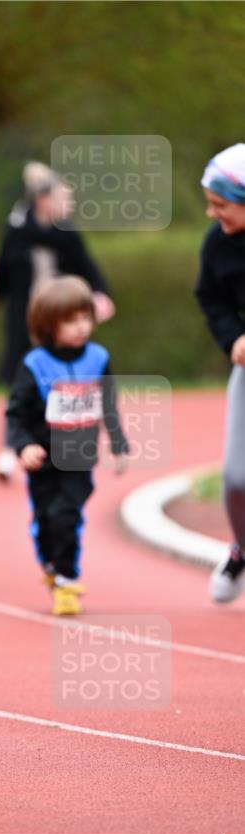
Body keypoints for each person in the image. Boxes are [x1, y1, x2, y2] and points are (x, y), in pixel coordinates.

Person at [6, 276, 128, 616]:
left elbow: (108, 404)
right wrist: (23, 447)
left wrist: (118, 444)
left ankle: (67, 580)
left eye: (85, 318)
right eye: (70, 321)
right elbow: (16, 413)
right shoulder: (34, 365)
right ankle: (50, 562)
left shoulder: (98, 358)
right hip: (43, 460)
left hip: (79, 456)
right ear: (48, 325)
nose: (81, 327)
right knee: (46, 519)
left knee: (67, 514)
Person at [0, 162, 116, 480]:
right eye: (63, 197)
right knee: (20, 381)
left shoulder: (67, 233)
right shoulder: (17, 231)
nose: (68, 204)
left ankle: (62, 444)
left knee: (59, 380)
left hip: (57, 322)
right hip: (24, 320)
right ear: (43, 200)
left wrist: (101, 294)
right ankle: (13, 447)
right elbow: (0, 275)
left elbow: (87, 267)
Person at [195, 143, 245, 604]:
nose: (213, 214)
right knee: (237, 478)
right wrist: (234, 340)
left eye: (221, 205)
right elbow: (211, 299)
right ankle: (241, 548)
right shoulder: (218, 245)